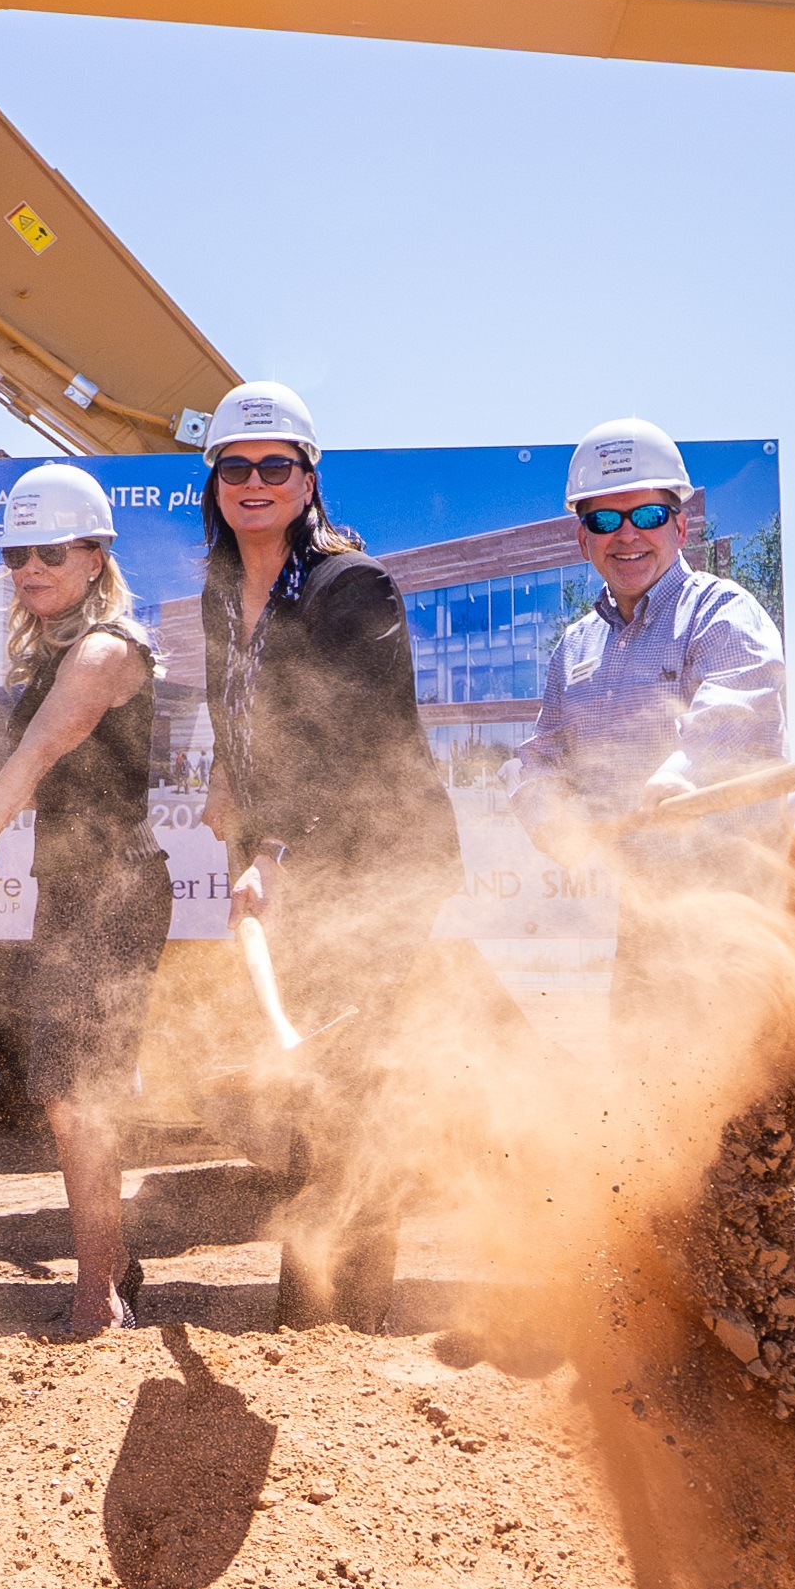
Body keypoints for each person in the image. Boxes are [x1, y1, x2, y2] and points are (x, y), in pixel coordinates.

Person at [193, 380, 458, 1326]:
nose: (254, 481)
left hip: (381, 863)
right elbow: (245, 714)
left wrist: (274, 847)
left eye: (276, 466)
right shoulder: (225, 592)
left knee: (352, 1080)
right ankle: (313, 1305)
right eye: (236, 466)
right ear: (215, 480)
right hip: (301, 862)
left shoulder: (355, 587)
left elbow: (360, 744)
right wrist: (228, 777)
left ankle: (338, 1318)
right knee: (313, 1080)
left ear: (310, 479)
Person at [0, 462, 165, 1342]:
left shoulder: (107, 649)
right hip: (74, 887)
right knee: (73, 1089)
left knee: (79, 1093)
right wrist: (7, 796)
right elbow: (50, 768)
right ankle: (112, 1269)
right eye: (15, 554)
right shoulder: (60, 650)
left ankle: (99, 1294)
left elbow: (39, 755)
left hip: (114, 889)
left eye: (49, 552)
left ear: (95, 553)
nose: (29, 567)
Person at [506, 418, 785, 820]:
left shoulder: (720, 611)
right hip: (623, 882)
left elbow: (736, 712)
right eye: (604, 520)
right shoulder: (573, 648)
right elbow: (545, 757)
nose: (627, 534)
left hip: (733, 877)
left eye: (649, 515)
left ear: (680, 528)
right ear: (584, 541)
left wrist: (684, 773)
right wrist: (542, 806)